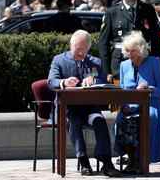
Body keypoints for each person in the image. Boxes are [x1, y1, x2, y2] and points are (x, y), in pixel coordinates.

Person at [47, 30, 121, 177]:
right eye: (77, 49)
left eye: (84, 50)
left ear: (88, 48)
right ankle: (83, 161)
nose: (81, 53)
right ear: (71, 45)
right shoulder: (59, 60)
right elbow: (51, 81)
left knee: (100, 121)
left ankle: (106, 161)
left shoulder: (95, 62)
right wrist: (64, 82)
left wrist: (94, 80)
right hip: (67, 109)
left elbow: (104, 81)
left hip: (89, 109)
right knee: (74, 122)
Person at [114, 30, 160, 174]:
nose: (130, 54)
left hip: (150, 104)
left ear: (141, 50)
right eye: (127, 51)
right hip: (130, 105)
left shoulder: (154, 62)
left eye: (133, 51)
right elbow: (123, 90)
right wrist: (123, 105)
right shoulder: (124, 65)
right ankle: (131, 159)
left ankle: (140, 160)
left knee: (148, 117)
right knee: (122, 119)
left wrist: (149, 88)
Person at [98, 0, 160, 82]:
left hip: (143, 61)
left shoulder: (148, 10)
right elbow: (103, 43)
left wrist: (155, 63)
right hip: (119, 63)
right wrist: (107, 71)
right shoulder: (112, 12)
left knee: (143, 95)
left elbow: (156, 38)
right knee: (119, 97)